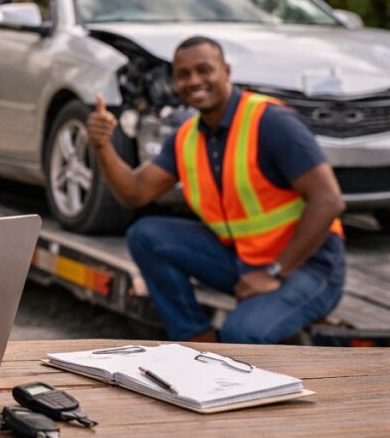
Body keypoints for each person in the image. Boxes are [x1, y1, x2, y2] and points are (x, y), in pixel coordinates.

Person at [87, 35, 345, 344]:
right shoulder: (187, 137)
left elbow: (329, 200)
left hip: (309, 267)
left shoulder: (271, 122)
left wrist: (275, 273)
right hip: (243, 260)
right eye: (183, 74)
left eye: (204, 70)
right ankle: (198, 342)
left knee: (241, 333)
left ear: (226, 71)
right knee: (146, 235)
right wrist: (102, 145)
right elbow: (134, 193)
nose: (194, 80)